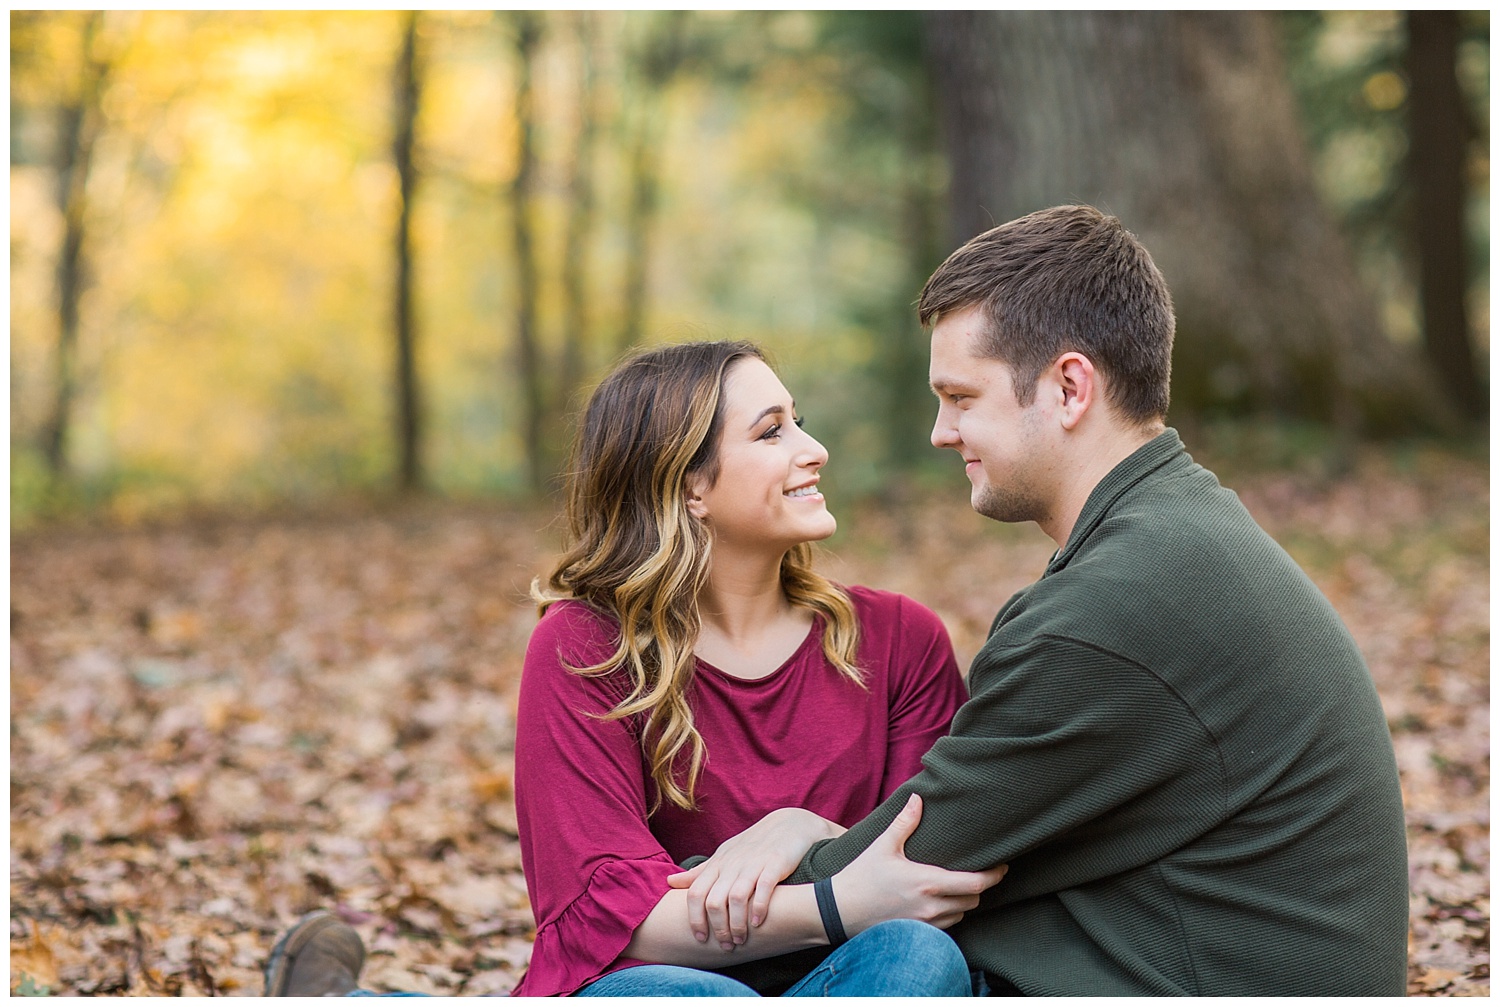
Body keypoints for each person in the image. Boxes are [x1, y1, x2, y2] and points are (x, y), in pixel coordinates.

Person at [692, 204, 1411, 996]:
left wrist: (677, 892)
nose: (942, 431)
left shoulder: (1117, 610)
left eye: (962, 397)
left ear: (1070, 387)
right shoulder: (1173, 538)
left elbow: (897, 867)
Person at [262, 340, 1006, 997]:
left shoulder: (898, 637)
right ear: (689, 486)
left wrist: (798, 828)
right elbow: (616, 917)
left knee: (916, 955)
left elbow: (919, 858)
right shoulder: (585, 647)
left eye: (798, 422)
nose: (813, 450)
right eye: (772, 431)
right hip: (666, 981)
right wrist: (838, 901)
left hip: (851, 979)